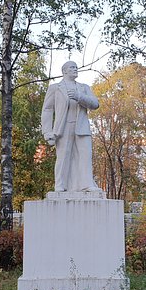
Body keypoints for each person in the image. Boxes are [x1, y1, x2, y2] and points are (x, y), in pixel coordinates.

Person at [41, 61, 101, 192]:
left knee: (86, 155)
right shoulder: (55, 88)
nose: (75, 69)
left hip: (81, 127)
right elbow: (47, 110)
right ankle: (60, 185)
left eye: (76, 67)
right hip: (63, 128)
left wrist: (79, 97)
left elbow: (95, 104)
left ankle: (87, 184)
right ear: (64, 71)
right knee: (63, 156)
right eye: (72, 67)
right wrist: (47, 131)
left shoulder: (84, 87)